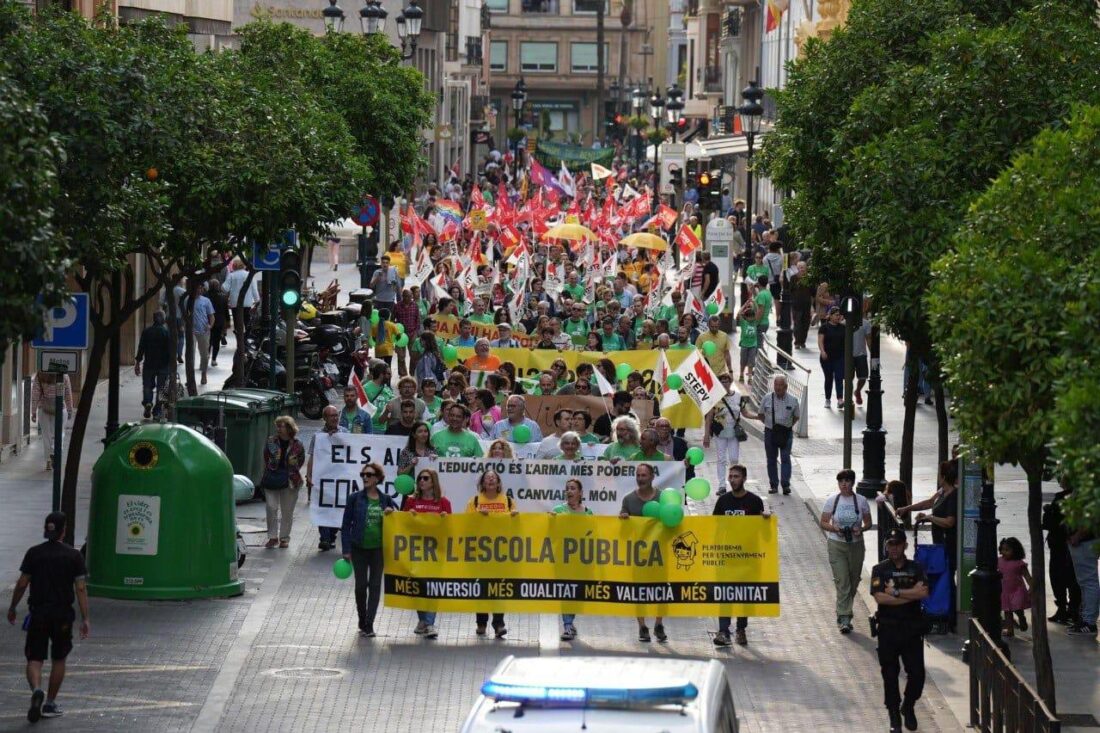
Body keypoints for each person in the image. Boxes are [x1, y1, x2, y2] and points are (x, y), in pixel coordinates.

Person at [6, 512, 90, 723]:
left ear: (47, 529)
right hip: (62, 615)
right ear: (64, 530)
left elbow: (23, 583)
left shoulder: (34, 553)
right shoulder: (74, 556)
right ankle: (50, 703)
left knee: (34, 658)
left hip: (39, 613)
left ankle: (36, 689)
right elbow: (80, 589)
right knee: (59, 658)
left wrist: (13, 606)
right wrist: (85, 617)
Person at [871, 528, 929, 733]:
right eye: (890, 544)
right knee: (889, 673)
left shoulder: (916, 568)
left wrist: (896, 592)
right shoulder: (879, 569)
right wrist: (910, 595)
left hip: (912, 629)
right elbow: (880, 598)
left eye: (897, 544)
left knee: (917, 674)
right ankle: (894, 715)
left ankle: (908, 705)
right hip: (888, 628)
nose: (893, 548)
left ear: (904, 545)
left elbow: (923, 592)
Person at [896, 459, 958, 632]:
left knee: (947, 578)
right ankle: (942, 612)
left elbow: (949, 522)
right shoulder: (943, 492)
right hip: (940, 543)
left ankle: (950, 616)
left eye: (940, 474)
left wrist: (929, 518)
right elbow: (929, 502)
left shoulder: (953, 495)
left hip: (948, 544)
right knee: (942, 577)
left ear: (944, 476)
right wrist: (907, 508)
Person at [712, 465, 771, 646]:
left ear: (744, 478)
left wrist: (766, 522)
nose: (732, 479)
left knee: (744, 595)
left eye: (736, 476)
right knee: (725, 594)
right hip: (727, 557)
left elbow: (765, 537)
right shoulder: (723, 501)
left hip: (748, 558)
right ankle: (723, 631)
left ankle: (741, 628)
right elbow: (714, 528)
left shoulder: (754, 501)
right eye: (730, 476)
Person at [341, 462, 398, 637]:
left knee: (374, 586)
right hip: (359, 548)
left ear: (378, 478)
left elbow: (400, 520)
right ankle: (362, 617)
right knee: (360, 586)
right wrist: (346, 549)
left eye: (369, 475)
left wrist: (391, 513)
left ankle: (369, 624)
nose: (365, 477)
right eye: (363, 474)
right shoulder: (354, 498)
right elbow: (345, 525)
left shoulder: (385, 499)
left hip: (378, 550)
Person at [820, 468, 873, 634]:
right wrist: (834, 528)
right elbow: (823, 522)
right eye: (841, 481)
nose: (844, 484)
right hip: (837, 545)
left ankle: (843, 610)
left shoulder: (862, 501)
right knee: (843, 581)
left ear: (852, 483)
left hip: (856, 545)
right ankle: (844, 618)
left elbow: (868, 523)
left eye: (847, 481)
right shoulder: (832, 501)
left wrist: (861, 530)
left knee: (854, 580)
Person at [466, 470, 518, 637]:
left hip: (501, 553)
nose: (490, 480)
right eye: (487, 478)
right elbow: (466, 524)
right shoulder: (474, 501)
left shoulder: (508, 501)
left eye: (493, 478)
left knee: (499, 589)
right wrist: (477, 516)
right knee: (481, 588)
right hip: (480, 552)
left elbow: (515, 525)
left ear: (498, 483)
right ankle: (481, 623)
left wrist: (515, 517)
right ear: (482, 483)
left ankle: (498, 624)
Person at [619, 463, 667, 642]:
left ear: (652, 477)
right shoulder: (628, 499)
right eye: (638, 475)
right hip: (638, 556)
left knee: (661, 591)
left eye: (644, 475)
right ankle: (642, 626)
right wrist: (623, 518)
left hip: (660, 554)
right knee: (639, 591)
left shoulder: (664, 498)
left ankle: (659, 623)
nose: (640, 479)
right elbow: (623, 530)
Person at [404, 468, 451, 639]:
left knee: (432, 586)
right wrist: (407, 516)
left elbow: (450, 527)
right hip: (415, 550)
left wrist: (446, 518)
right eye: (419, 479)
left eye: (425, 478)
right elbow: (402, 524)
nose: (421, 481)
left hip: (435, 552)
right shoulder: (411, 502)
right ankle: (423, 619)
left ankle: (429, 623)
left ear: (433, 482)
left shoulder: (443, 503)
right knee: (418, 586)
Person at [551, 479, 592, 641]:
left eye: (573, 488)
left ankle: (570, 621)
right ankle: (567, 625)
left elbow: (592, 534)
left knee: (576, 593)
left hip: (581, 560)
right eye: (567, 488)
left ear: (580, 493)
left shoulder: (588, 512)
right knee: (566, 591)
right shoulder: (558, 510)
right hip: (563, 558)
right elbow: (551, 532)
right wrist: (552, 520)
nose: (569, 491)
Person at [306, 406, 348, 551]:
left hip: (340, 478)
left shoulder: (345, 433)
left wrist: (338, 438)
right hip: (323, 479)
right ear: (325, 418)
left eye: (336, 415)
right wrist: (309, 475)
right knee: (323, 508)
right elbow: (312, 456)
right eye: (331, 416)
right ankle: (324, 538)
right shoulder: (318, 436)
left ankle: (331, 535)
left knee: (338, 508)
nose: (335, 418)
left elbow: (353, 452)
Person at [704, 374, 755, 489]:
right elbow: (709, 418)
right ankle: (722, 485)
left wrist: (758, 417)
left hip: (733, 432)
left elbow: (745, 413)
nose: (724, 383)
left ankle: (735, 481)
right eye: (721, 381)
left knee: (734, 459)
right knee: (721, 459)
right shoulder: (715, 397)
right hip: (720, 432)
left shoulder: (738, 396)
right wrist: (706, 435)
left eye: (726, 381)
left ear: (730, 382)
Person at [261, 416, 306, 549]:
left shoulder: (297, 444)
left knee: (287, 511)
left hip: (290, 480)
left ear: (289, 428)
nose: (279, 429)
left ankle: (284, 538)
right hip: (272, 478)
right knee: (271, 507)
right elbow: (266, 456)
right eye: (278, 426)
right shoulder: (271, 441)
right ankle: (272, 537)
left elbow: (301, 460)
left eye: (282, 426)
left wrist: (292, 471)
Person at [1042, 480, 1081, 625]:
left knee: (1065, 576)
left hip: (1065, 542)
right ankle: (1068, 608)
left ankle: (1069, 609)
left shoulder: (1067, 497)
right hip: (1061, 543)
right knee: (1064, 576)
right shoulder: (1063, 496)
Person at [755, 375, 800, 495]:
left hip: (786, 432)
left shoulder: (793, 400)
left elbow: (796, 416)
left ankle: (785, 485)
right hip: (770, 432)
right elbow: (760, 414)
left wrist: (787, 426)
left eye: (780, 385)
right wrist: (769, 425)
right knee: (771, 459)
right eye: (776, 385)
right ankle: (773, 485)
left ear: (786, 387)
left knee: (785, 458)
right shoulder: (767, 398)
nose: (778, 387)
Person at [30, 371, 73, 472]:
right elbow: (67, 393)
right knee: (59, 434)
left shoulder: (40, 375)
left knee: (46, 436)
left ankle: (48, 462)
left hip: (44, 408)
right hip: (60, 408)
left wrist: (33, 412)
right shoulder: (64, 375)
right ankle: (55, 452)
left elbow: (35, 393)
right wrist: (70, 409)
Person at [134, 311, 173, 419]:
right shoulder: (166, 332)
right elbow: (171, 350)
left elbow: (141, 347)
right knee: (161, 388)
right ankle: (157, 411)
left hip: (149, 364)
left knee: (147, 386)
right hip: (163, 365)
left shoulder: (146, 332)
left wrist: (138, 362)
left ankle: (148, 402)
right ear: (163, 320)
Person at [1067, 517, 1099, 636]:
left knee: (1088, 582)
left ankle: (1089, 622)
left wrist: (1079, 535)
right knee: (1085, 582)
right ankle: (1087, 619)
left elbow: (1090, 515)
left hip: (1085, 541)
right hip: (1083, 539)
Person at [998, 537, 1031, 637]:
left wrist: (1031, 588)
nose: (1004, 552)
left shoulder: (1019, 563)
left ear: (1015, 551)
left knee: (1017, 608)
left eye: (1007, 550)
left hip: (1017, 591)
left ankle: (1021, 618)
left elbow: (1027, 577)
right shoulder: (999, 560)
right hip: (1004, 591)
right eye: (1003, 549)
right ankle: (1010, 630)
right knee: (1007, 611)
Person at [187, 281, 215, 385]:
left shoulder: (206, 301)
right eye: (197, 288)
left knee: (204, 354)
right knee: (190, 354)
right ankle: (191, 377)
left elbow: (211, 316)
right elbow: (184, 315)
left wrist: (210, 325)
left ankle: (204, 373)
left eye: (200, 288)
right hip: (191, 331)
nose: (199, 290)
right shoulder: (187, 300)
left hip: (204, 330)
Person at [818, 307, 844, 410]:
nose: (838, 317)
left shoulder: (843, 328)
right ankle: (827, 399)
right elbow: (820, 340)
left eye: (840, 315)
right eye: (836, 315)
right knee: (828, 378)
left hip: (839, 357)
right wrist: (823, 351)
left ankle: (840, 399)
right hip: (827, 357)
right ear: (831, 316)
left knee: (839, 377)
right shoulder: (824, 327)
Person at [207, 278, 229, 367]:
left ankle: (207, 356)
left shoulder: (205, 296)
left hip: (207, 322)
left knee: (208, 341)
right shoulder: (223, 297)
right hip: (219, 323)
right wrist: (228, 321)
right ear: (218, 286)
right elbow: (226, 311)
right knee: (216, 342)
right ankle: (214, 359)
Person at [736, 300, 759, 383]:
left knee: (751, 363)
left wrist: (754, 303)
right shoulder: (743, 322)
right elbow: (739, 313)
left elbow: (757, 311)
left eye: (752, 316)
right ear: (746, 317)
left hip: (753, 345)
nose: (751, 318)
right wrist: (745, 305)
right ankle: (741, 375)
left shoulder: (755, 322)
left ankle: (749, 378)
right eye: (749, 316)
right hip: (744, 345)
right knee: (743, 361)